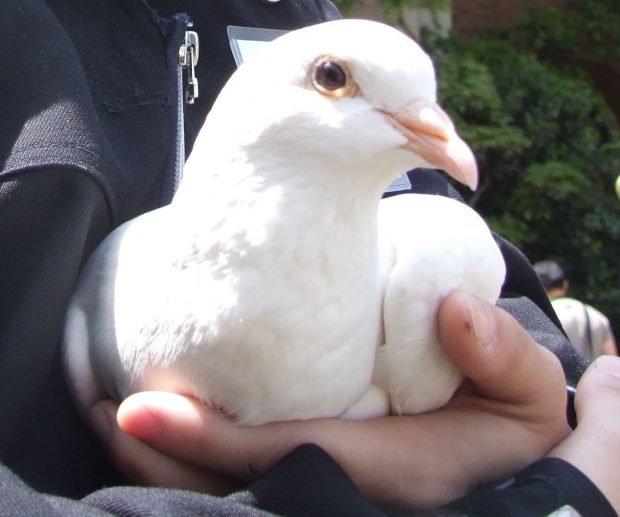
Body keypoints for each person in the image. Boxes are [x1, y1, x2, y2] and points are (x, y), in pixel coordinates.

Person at [0, 1, 617, 515]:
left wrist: (539, 405)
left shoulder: (292, 10)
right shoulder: (111, 283)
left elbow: (527, 360)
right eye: (332, 79)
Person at [534, 260, 618, 359]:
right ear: (565, 285)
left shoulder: (539, 316)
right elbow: (613, 362)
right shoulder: (597, 316)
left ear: (538, 287)